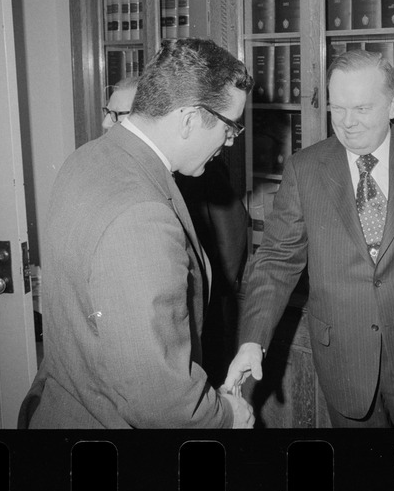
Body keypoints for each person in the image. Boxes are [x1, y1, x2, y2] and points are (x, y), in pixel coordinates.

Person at [224, 49, 394, 428]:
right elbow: (276, 261)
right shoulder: (305, 169)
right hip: (344, 361)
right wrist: (252, 341)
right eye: (337, 108)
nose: (347, 123)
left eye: (361, 109)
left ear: (392, 105)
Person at [21, 38, 255, 428]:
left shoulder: (86, 157)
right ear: (189, 119)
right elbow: (158, 397)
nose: (230, 141)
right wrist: (227, 414)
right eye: (230, 127)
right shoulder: (143, 217)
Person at [102, 74, 249, 384]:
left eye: (116, 115)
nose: (106, 123)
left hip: (204, 314)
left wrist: (213, 288)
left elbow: (232, 232)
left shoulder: (197, 166)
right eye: (107, 112)